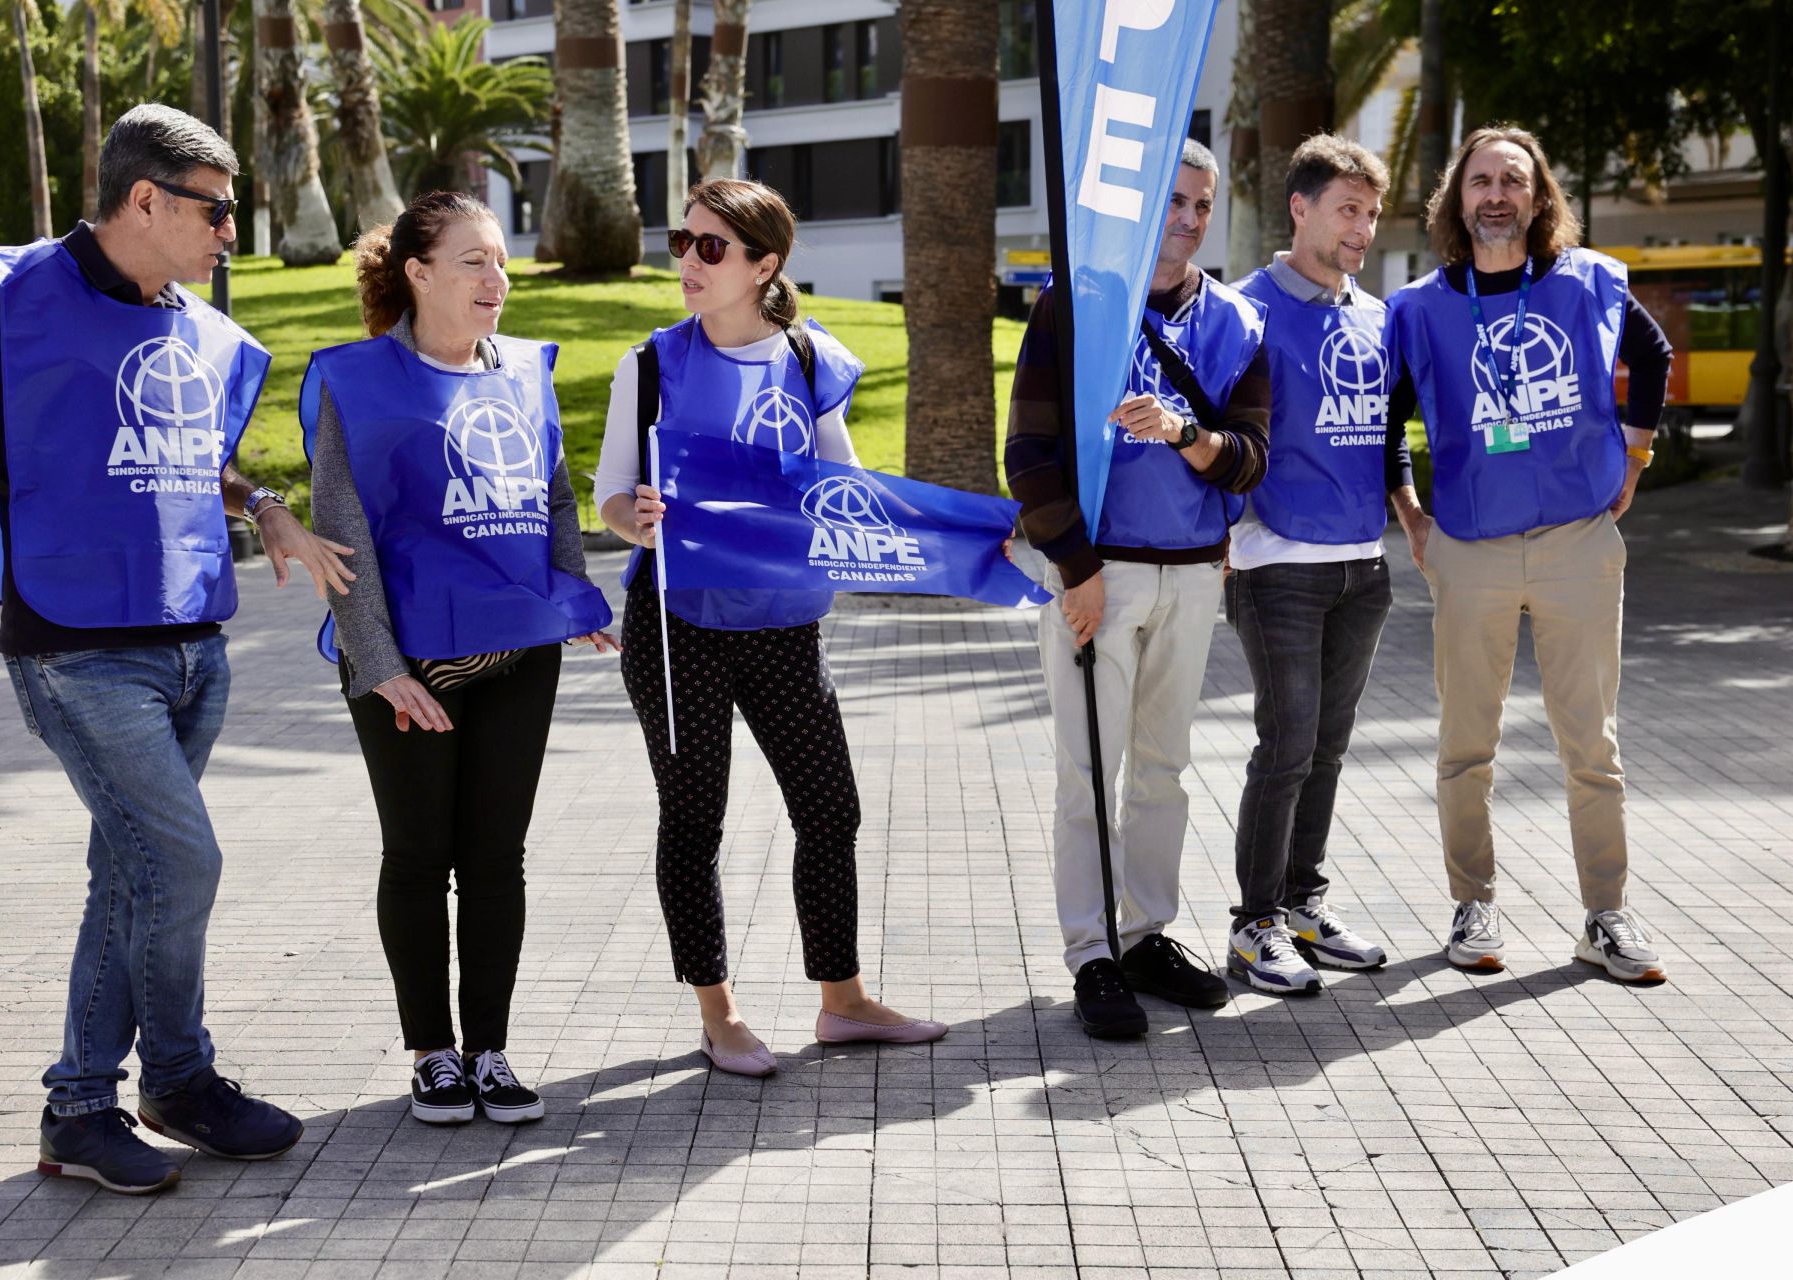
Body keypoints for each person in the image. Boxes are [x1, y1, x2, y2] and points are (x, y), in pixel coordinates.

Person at [0, 104, 347, 1194]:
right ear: (147, 199)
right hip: (76, 649)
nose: (232, 231)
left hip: (194, 644)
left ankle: (132, 1097)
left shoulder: (195, 327)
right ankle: (125, 1087)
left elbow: (187, 449)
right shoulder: (16, 288)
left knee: (130, 875)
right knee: (182, 861)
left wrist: (265, 504)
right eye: (218, 210)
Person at [594, 178, 947, 1076]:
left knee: (830, 807)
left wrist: (958, 535)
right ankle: (720, 1017)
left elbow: (845, 484)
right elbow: (606, 499)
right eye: (683, 241)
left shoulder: (811, 361)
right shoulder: (651, 364)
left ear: (765, 264)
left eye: (712, 247)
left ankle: (844, 1001)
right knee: (696, 818)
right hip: (679, 624)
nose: (688, 262)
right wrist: (637, 518)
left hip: (786, 621)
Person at [303, 191, 616, 1125]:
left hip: (520, 652)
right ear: (420, 273)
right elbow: (340, 534)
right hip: (403, 664)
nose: (497, 279)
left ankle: (490, 1049)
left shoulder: (526, 370)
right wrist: (381, 665)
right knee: (418, 855)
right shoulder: (354, 382)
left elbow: (554, 500)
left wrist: (573, 599)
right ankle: (431, 1053)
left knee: (496, 858)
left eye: (502, 260)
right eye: (475, 260)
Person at [1385, 125, 1674, 983]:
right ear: (1457, 198)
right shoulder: (1422, 305)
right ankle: (1473, 907)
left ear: (1540, 197)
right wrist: (1408, 510)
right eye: (1482, 181)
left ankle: (1607, 917)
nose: (1498, 195)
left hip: (1577, 542)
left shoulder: (1586, 282)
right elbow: (1386, 413)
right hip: (1469, 548)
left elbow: (1651, 354)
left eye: (1515, 179)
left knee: (1593, 745)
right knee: (1465, 743)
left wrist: (1635, 454)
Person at [1004, 140, 1271, 1038]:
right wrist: (1076, 571)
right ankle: (1092, 954)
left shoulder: (1236, 323)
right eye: (1177, 201)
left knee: (1163, 771)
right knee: (1088, 772)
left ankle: (1147, 932)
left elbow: (1250, 460)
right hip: (1100, 577)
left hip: (1195, 576)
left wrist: (1186, 434)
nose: (1192, 219)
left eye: (1204, 204)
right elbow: (1029, 454)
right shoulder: (1077, 310)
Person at [1221, 135, 1426, 994]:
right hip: (1276, 567)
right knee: (1287, 746)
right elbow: (1224, 434)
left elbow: (1386, 432)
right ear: (1299, 208)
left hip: (1361, 569)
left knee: (1328, 750)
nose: (1364, 228)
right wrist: (1224, 539)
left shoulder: (1376, 316)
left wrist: (1407, 509)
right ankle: (1254, 923)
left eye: (1373, 214)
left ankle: (1303, 902)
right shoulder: (1243, 311)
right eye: (1349, 209)